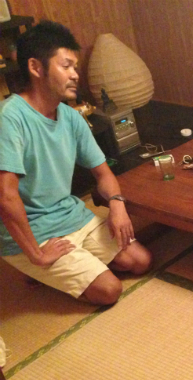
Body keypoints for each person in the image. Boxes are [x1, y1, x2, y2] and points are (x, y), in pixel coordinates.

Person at [0, 20, 152, 305]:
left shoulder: (70, 116)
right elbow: (5, 198)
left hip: (71, 215)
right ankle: (35, 268)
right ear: (36, 67)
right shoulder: (9, 117)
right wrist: (36, 255)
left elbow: (103, 173)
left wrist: (117, 204)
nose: (74, 75)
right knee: (109, 291)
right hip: (34, 232)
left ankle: (69, 267)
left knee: (140, 261)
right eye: (66, 66)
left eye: (75, 67)